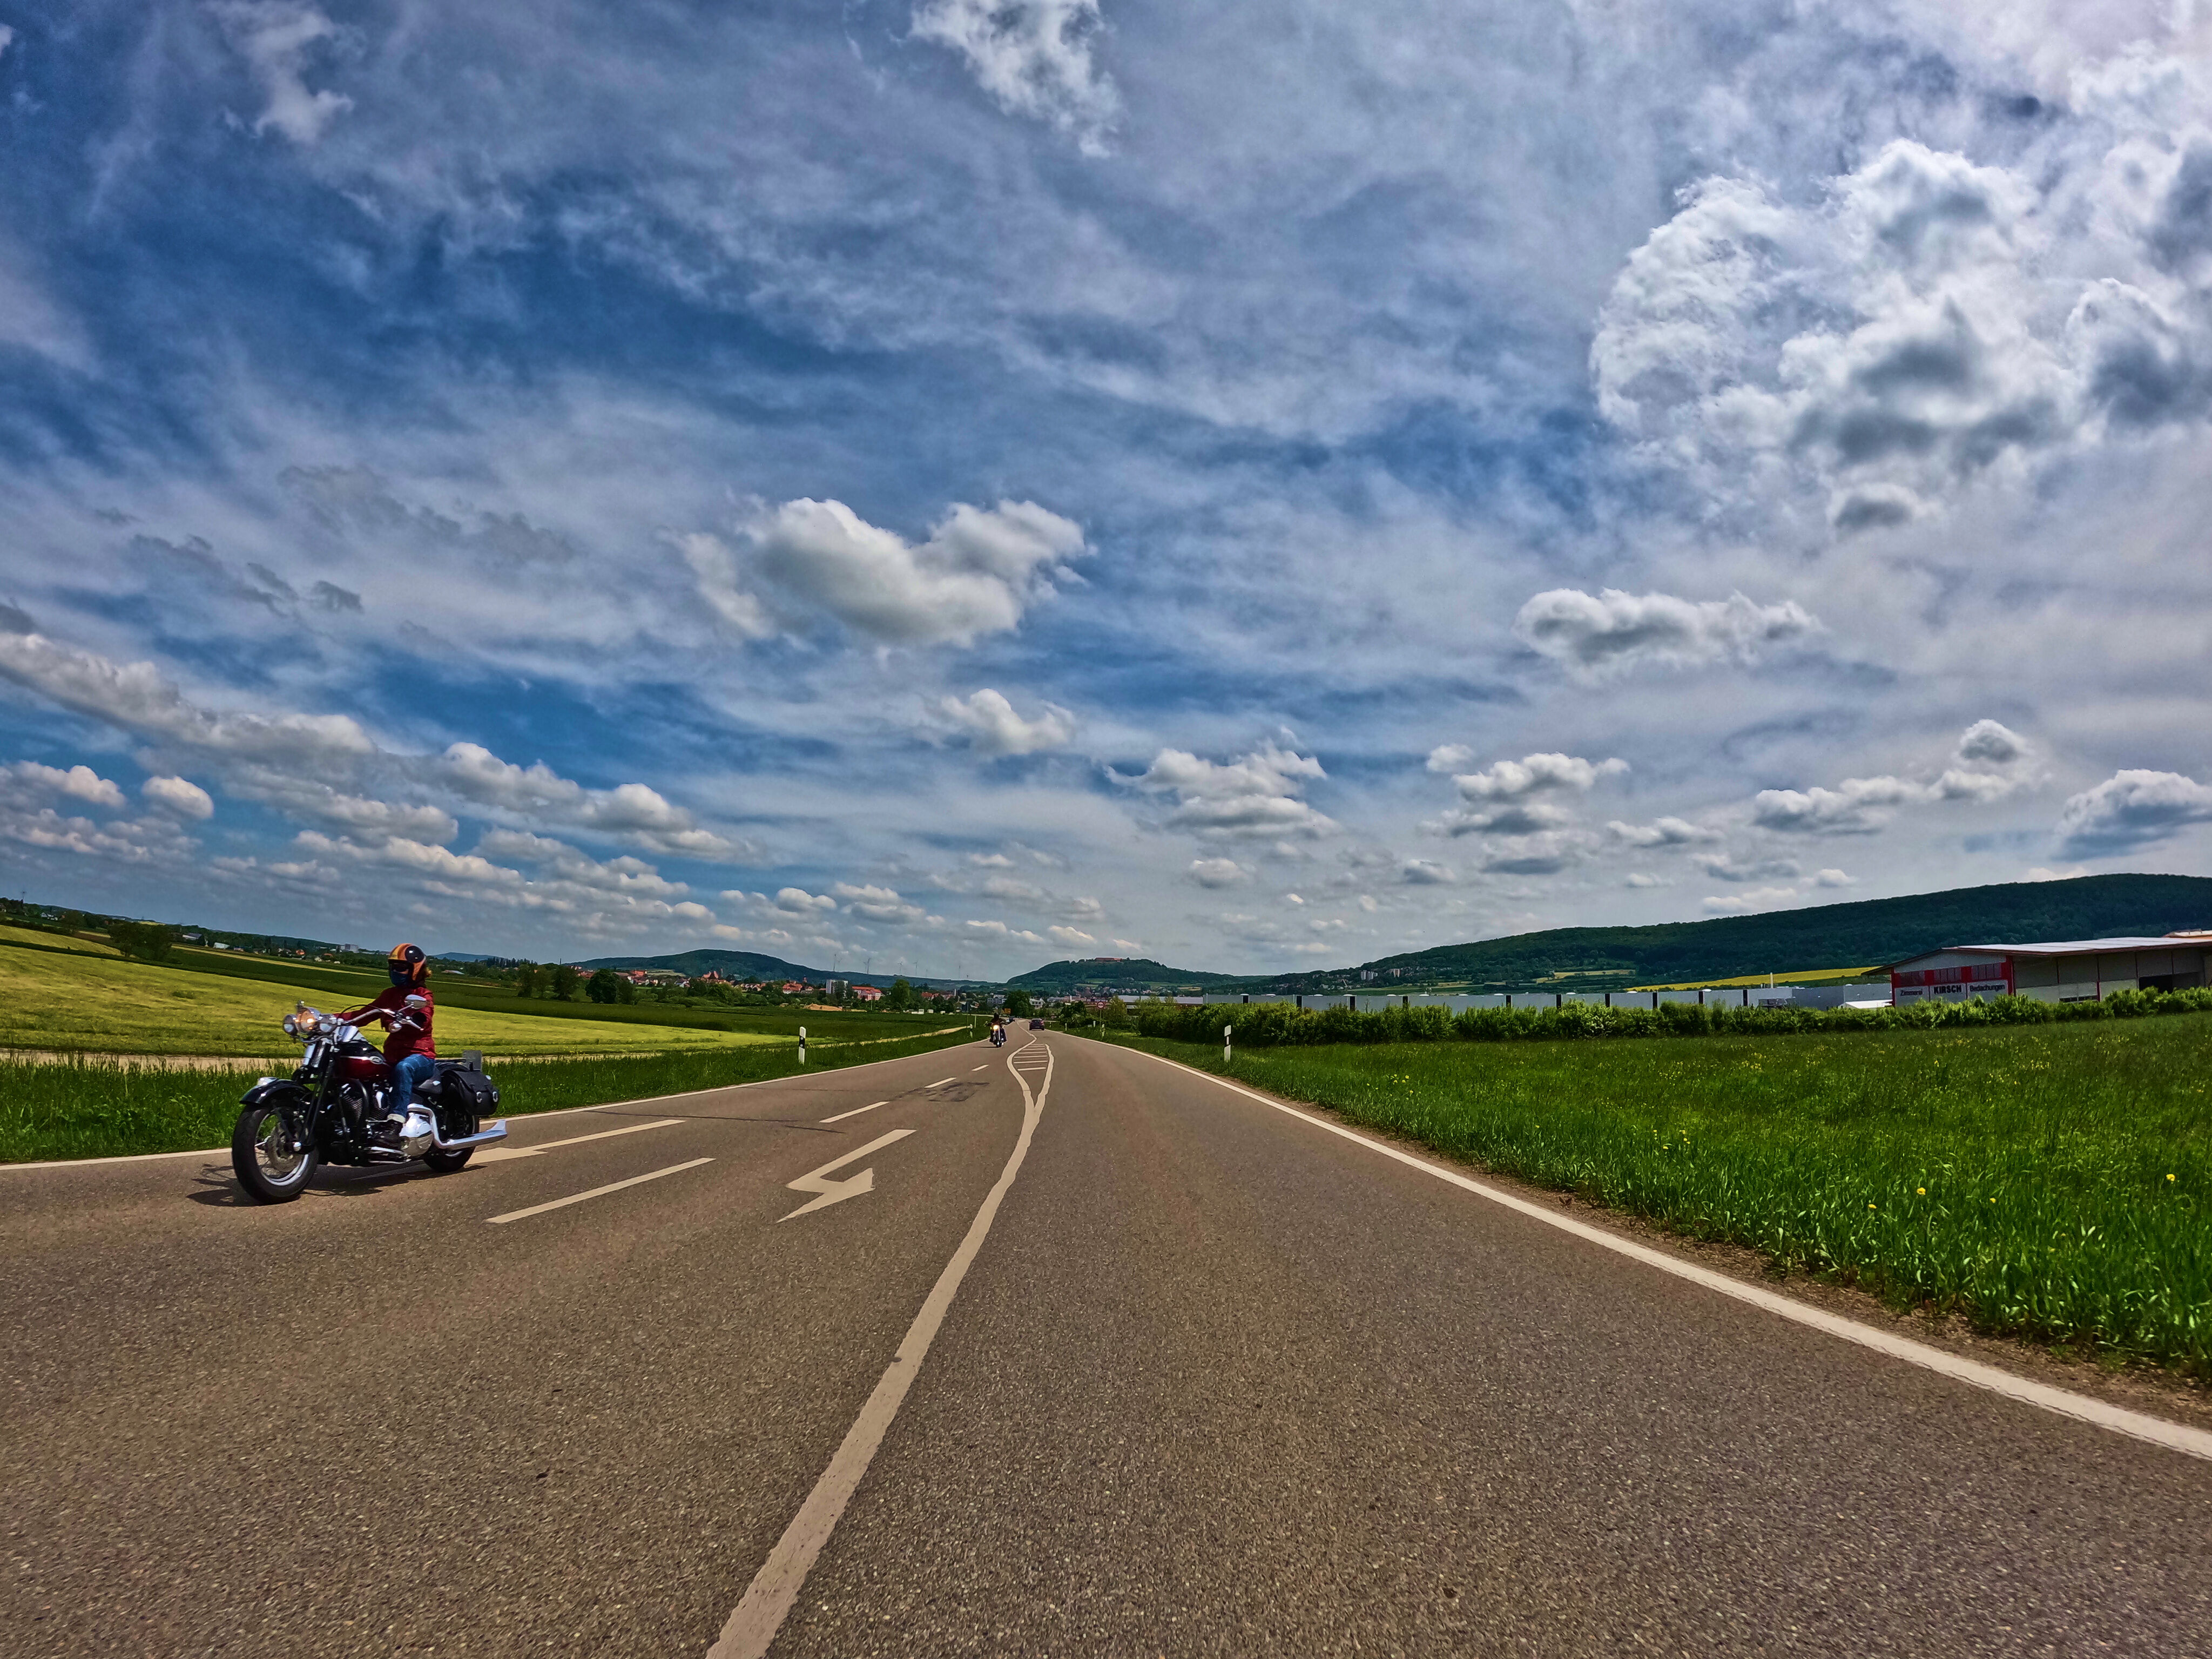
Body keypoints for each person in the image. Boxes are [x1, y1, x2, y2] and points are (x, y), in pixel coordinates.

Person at [342, 943, 439, 1155]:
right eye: (393, 967)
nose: (396, 972)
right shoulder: (389, 995)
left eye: (401, 968)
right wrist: (331, 1020)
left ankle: (395, 1126)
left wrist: (417, 1017)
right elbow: (364, 1014)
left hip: (419, 1056)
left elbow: (425, 1016)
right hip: (392, 1055)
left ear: (415, 970)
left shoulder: (422, 995)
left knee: (404, 1069)